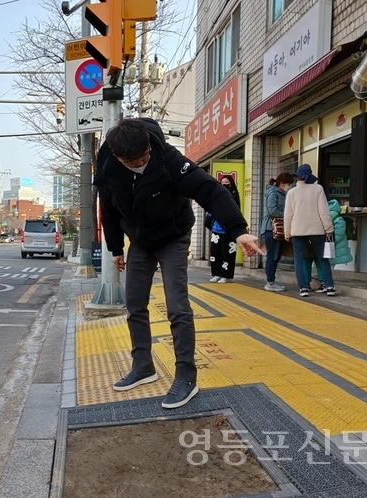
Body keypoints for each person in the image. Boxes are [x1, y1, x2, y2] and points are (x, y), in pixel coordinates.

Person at [93, 118, 262, 409]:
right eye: (134, 161)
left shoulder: (168, 158)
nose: (141, 162)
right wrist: (116, 248)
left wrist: (238, 230)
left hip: (173, 235)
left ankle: (186, 377)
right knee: (134, 304)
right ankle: (143, 366)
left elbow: (210, 190)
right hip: (140, 239)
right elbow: (109, 210)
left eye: (144, 155)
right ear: (119, 157)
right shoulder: (108, 167)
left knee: (177, 306)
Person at [283, 164, 336, 297]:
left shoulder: (291, 192)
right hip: (317, 229)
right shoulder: (318, 189)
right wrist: (328, 228)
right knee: (323, 258)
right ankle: (329, 286)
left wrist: (287, 233)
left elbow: (288, 215)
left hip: (298, 230)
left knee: (299, 260)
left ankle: (303, 288)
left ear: (297, 177)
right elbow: (324, 211)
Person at [303, 198, 352, 291]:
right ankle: (325, 283)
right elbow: (339, 234)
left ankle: (316, 283)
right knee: (324, 263)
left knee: (318, 262)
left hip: (327, 245)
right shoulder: (338, 218)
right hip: (332, 245)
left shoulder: (323, 217)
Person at [260, 173, 293, 292]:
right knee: (272, 256)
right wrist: (288, 215)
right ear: (281, 183)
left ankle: (271, 282)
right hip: (271, 229)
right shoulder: (273, 193)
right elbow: (272, 211)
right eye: (288, 184)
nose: (289, 186)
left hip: (277, 229)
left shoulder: (282, 193)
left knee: (276, 256)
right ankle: (270, 282)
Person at [207, 175, 241, 283]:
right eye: (222, 182)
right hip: (216, 228)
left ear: (231, 184)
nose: (224, 184)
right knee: (215, 252)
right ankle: (217, 273)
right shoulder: (216, 195)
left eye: (227, 182)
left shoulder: (233, 197)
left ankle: (227, 275)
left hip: (228, 229)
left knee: (227, 253)